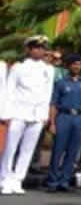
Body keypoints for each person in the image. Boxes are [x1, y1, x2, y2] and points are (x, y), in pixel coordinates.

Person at [0, 36, 55, 195]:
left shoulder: (48, 69)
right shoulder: (19, 67)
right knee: (11, 147)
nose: (40, 51)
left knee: (27, 150)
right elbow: (9, 91)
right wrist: (6, 113)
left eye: (42, 48)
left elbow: (47, 93)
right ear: (29, 50)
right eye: (36, 48)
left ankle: (18, 179)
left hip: (37, 114)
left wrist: (44, 115)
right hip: (18, 112)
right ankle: (5, 178)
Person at [44, 53, 81, 192]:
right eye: (74, 64)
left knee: (73, 151)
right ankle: (52, 181)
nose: (77, 66)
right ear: (68, 65)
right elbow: (53, 104)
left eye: (79, 64)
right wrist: (52, 123)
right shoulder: (61, 83)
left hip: (79, 118)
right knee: (58, 150)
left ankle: (64, 181)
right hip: (64, 117)